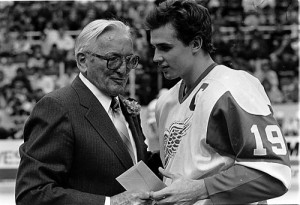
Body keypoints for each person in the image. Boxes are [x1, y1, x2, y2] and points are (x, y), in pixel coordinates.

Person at [145, 0, 291, 204]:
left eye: (164, 48)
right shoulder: (165, 102)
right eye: (153, 48)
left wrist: (200, 189)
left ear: (196, 43)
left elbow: (273, 173)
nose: (155, 57)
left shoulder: (232, 87)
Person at [15, 19, 161, 205]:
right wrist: (109, 203)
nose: (124, 70)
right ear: (82, 61)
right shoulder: (57, 107)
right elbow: (32, 194)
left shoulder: (127, 108)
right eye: (113, 59)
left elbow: (134, 167)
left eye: (130, 60)